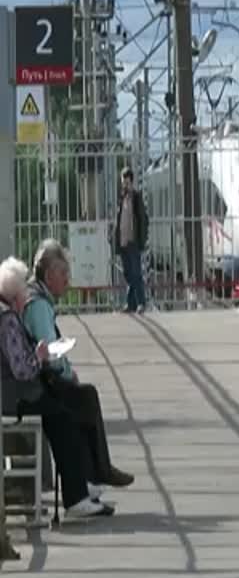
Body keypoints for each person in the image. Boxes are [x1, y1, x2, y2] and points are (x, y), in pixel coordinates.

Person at [0, 256, 114, 518]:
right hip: (14, 397)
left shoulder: (7, 314)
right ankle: (76, 496)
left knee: (63, 409)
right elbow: (22, 370)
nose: (24, 299)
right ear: (14, 293)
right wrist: (39, 356)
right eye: (22, 294)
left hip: (12, 393)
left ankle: (79, 487)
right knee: (63, 417)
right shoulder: (7, 320)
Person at [22, 239, 135, 495]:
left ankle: (89, 477)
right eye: (63, 274)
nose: (67, 280)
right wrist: (66, 372)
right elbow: (49, 349)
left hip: (34, 379)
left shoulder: (35, 297)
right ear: (49, 275)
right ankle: (97, 473)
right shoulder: (38, 305)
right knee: (83, 399)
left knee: (82, 399)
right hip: (38, 383)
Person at [115, 166, 149, 314]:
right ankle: (132, 304)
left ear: (132, 182)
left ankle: (140, 302)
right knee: (128, 274)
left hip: (133, 241)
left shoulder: (136, 197)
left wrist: (142, 239)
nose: (125, 185)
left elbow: (143, 219)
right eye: (123, 182)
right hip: (123, 241)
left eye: (127, 182)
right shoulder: (121, 198)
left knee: (136, 273)